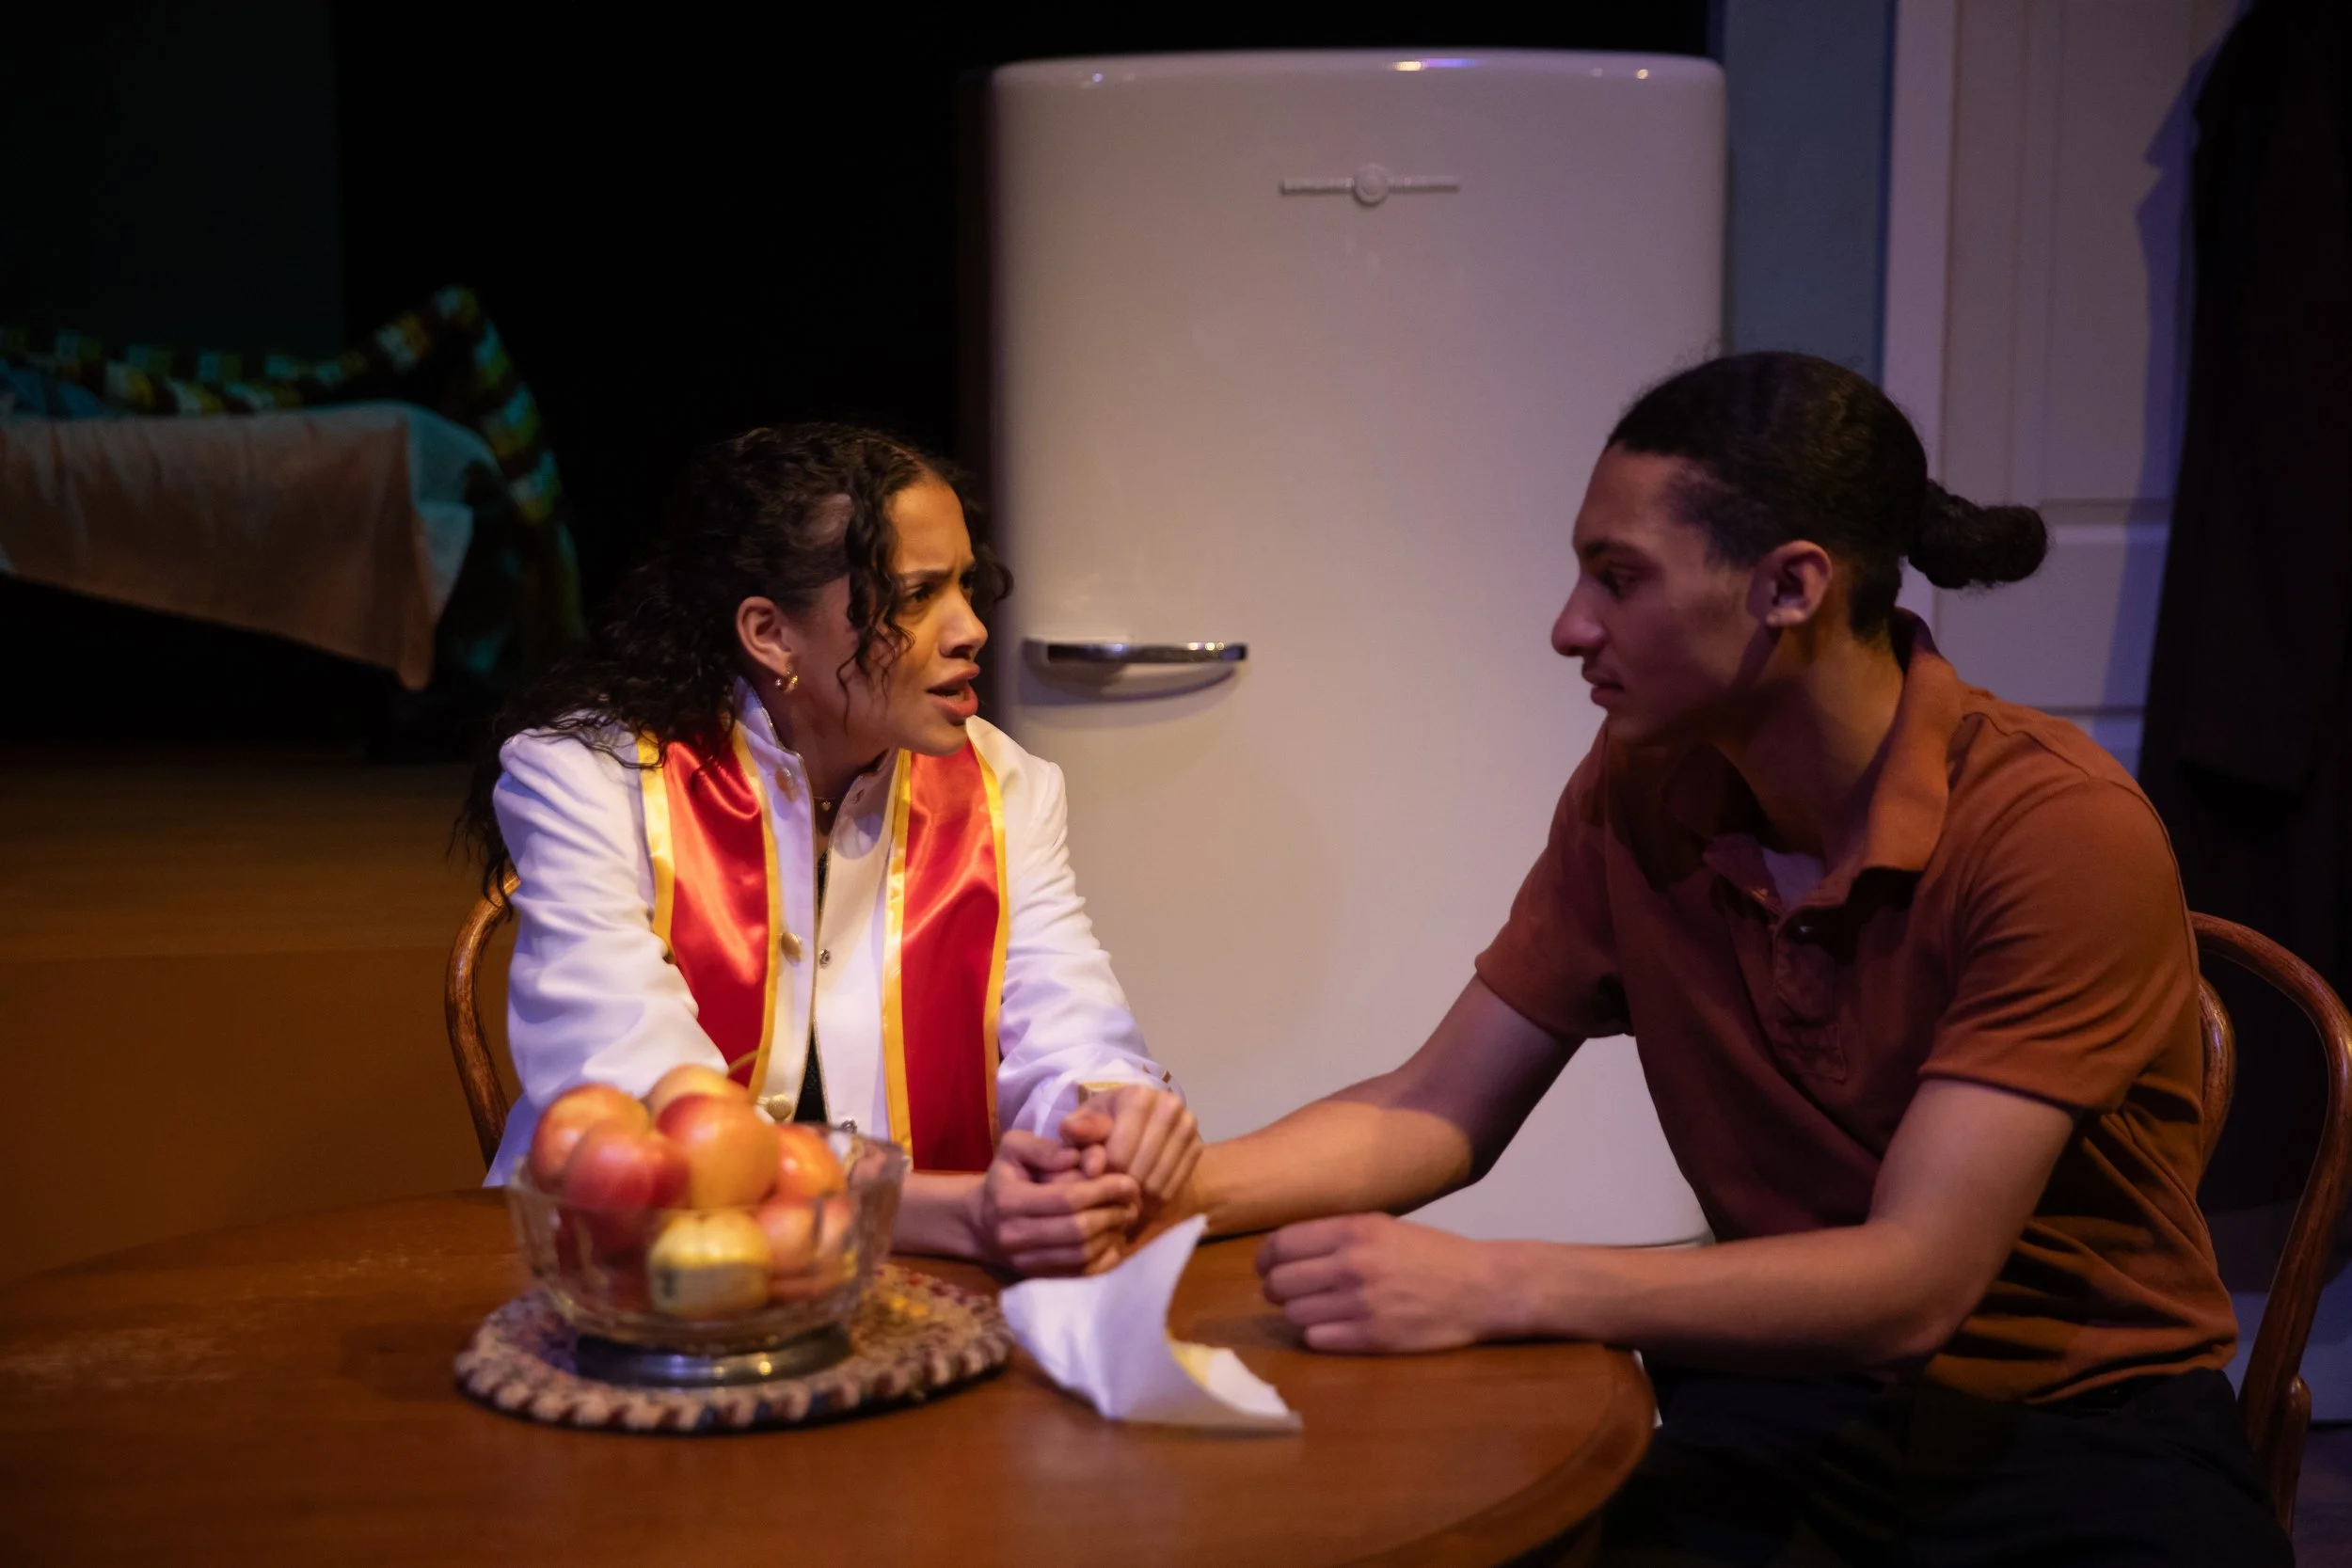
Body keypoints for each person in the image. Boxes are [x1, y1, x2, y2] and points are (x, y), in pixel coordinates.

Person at [1173, 355, 2290, 1562]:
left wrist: (1495, 1282)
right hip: (1785, 1401)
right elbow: (1434, 1105)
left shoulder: (2054, 829)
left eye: (1618, 578)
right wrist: (1158, 1195)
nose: (1568, 626)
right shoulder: (1640, 787)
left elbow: (1914, 1282)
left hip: (2079, 1436)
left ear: (1789, 587)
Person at [461, 423, 1200, 1276]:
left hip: (909, 1284)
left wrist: (1110, 1117)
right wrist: (952, 1213)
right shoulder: (588, 777)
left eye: (965, 584)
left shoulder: (1007, 788)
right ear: (771, 633)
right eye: (915, 596)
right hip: (627, 1279)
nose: (970, 628)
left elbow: (1072, 1030)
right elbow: (654, 1113)